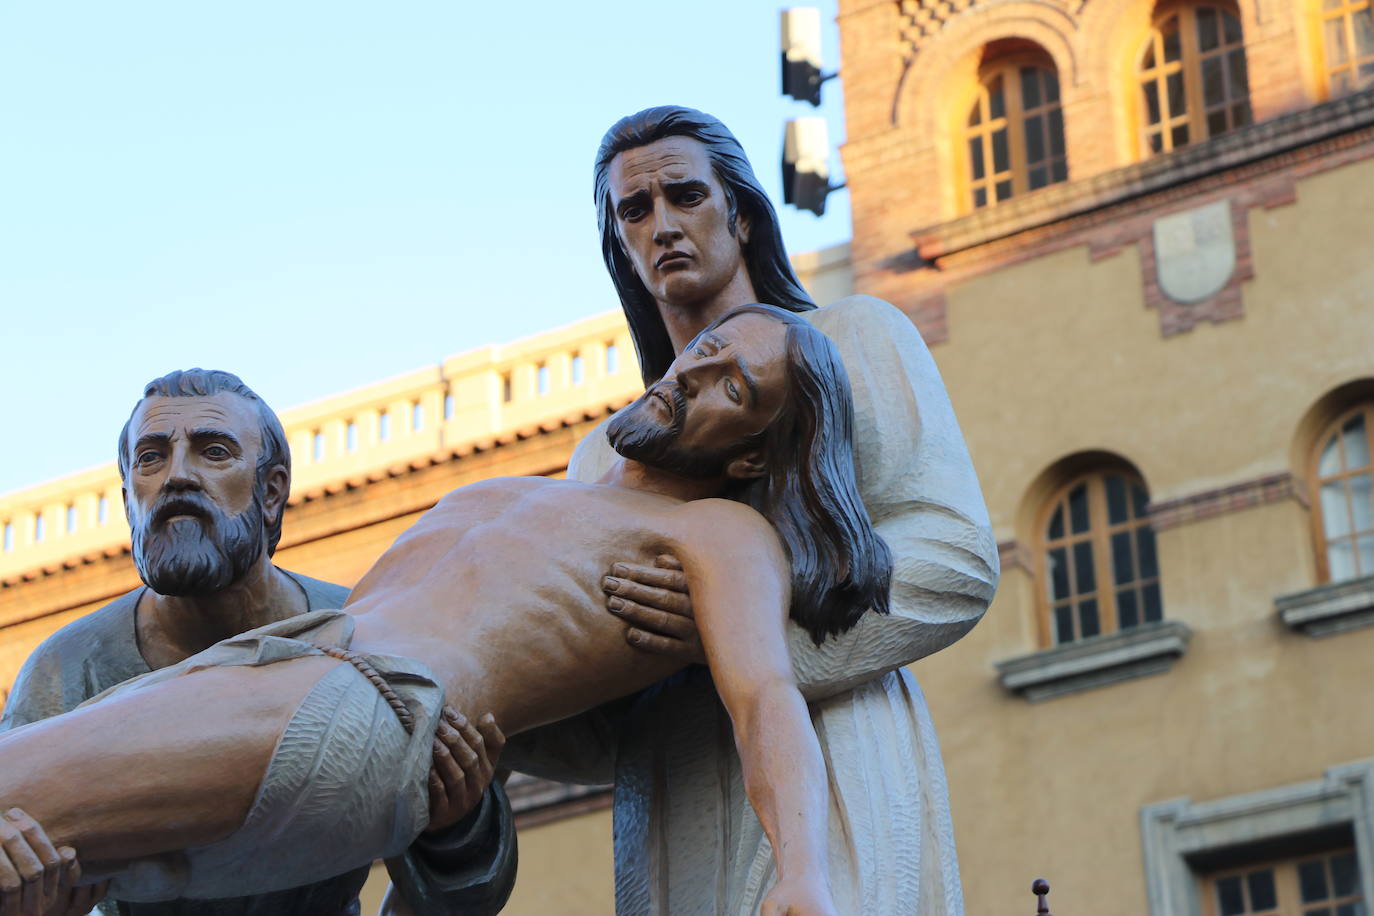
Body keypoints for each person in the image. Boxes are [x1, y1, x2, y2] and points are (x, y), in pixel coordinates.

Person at [0, 305, 886, 916]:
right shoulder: (523, 492)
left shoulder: (720, 534)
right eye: (707, 352)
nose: (695, 375)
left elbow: (765, 697)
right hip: (312, 666)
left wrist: (803, 876)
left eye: (735, 388)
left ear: (747, 460)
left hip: (372, 706)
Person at [505, 106, 1000, 914]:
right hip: (677, 790)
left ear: (739, 213)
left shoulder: (854, 338)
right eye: (635, 210)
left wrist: (738, 631)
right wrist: (496, 721)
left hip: (838, 747)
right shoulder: (603, 457)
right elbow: (600, 708)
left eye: (685, 195)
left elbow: (954, 560)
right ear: (619, 247)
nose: (663, 224)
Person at [0, 369, 512, 916]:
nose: (177, 477)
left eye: (213, 452)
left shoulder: (371, 630)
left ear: (271, 492)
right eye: (150, 458)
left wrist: (458, 829)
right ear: (129, 502)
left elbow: (458, 895)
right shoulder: (66, 670)